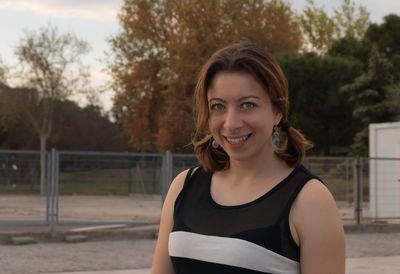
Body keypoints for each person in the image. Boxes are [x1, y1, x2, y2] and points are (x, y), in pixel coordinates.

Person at [151, 42, 345, 274]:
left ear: (278, 111)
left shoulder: (310, 200)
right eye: (218, 106)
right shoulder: (184, 186)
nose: (231, 123)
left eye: (247, 105)